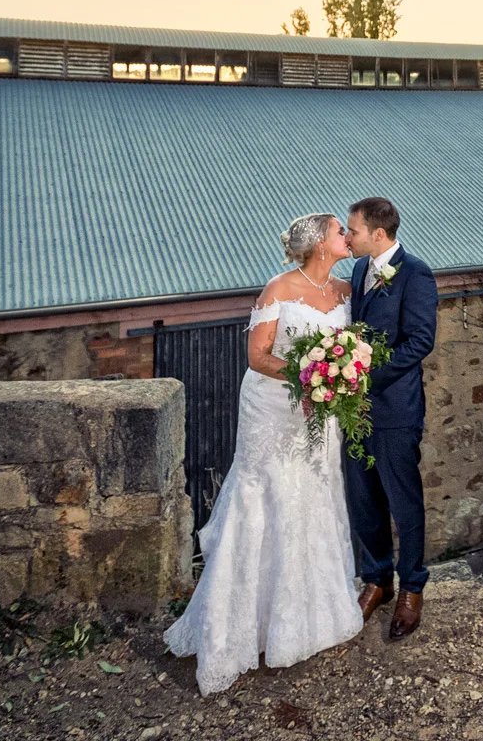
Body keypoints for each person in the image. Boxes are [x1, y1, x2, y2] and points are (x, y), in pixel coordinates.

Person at [164, 213, 365, 694]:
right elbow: (259, 356)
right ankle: (241, 626)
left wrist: (337, 377)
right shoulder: (277, 289)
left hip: (321, 411)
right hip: (273, 409)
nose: (346, 237)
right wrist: (310, 373)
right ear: (320, 244)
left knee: (316, 496)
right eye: (340, 231)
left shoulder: (344, 292)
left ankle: (310, 617)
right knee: (267, 497)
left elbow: (348, 348)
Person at [343, 196, 438, 641]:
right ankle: (377, 580)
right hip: (354, 410)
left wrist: (366, 375)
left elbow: (420, 342)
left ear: (378, 234)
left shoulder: (416, 273)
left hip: (395, 408)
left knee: (404, 502)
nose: (347, 238)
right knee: (363, 500)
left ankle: (411, 588)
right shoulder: (360, 271)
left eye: (353, 231)